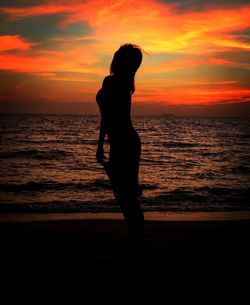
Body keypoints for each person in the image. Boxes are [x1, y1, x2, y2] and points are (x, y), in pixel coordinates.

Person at [96, 44, 144, 242]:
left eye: (118, 54)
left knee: (126, 196)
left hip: (125, 144)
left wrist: (101, 144)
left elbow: (108, 117)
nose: (114, 56)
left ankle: (138, 237)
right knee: (125, 195)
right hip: (123, 143)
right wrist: (101, 144)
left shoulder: (115, 84)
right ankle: (137, 235)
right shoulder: (121, 84)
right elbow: (106, 117)